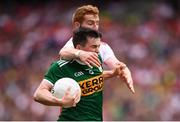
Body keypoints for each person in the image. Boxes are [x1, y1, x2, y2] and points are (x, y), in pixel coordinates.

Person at [34, 27, 121, 121]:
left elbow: (92, 77)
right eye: (93, 47)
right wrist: (61, 102)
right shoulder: (61, 67)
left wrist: (112, 73)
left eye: (98, 46)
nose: (98, 51)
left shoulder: (97, 60)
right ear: (79, 48)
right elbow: (39, 94)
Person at [59, 5, 135, 93]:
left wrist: (125, 70)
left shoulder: (103, 47)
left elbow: (117, 64)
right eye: (90, 23)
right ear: (77, 25)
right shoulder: (74, 44)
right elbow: (63, 52)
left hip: (94, 104)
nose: (95, 27)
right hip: (72, 103)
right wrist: (80, 53)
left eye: (97, 23)